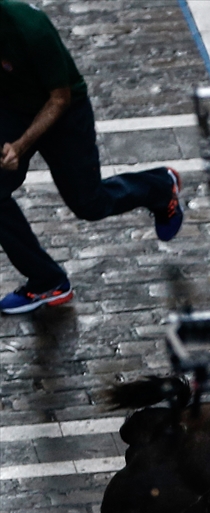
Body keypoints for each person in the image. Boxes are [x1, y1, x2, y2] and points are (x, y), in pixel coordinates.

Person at [0, 0, 183, 314]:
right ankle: (48, 281)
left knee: (89, 204)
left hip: (63, 112)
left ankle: (158, 187)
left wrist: (19, 145)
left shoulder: (30, 28)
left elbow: (60, 99)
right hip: (12, 107)